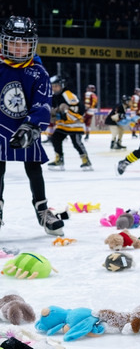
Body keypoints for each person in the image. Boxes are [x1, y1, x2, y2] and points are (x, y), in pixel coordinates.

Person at [0, 16, 65, 237]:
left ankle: (42, 210)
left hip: (27, 126)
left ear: (32, 44)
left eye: (24, 44)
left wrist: (32, 126)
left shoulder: (38, 71)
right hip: (0, 126)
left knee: (33, 166)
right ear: (4, 42)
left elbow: (42, 103)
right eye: (14, 43)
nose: (18, 48)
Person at [47, 75, 92, 171]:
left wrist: (64, 110)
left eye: (56, 86)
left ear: (62, 85)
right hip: (63, 124)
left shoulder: (67, 94)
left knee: (76, 143)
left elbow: (77, 109)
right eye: (52, 86)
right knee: (55, 138)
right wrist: (54, 112)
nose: (54, 88)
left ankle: (86, 160)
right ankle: (59, 159)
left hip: (75, 123)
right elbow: (55, 110)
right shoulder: (55, 96)